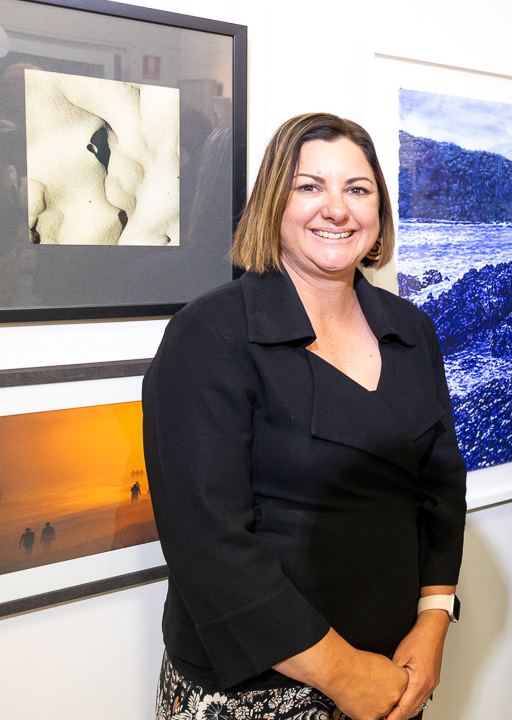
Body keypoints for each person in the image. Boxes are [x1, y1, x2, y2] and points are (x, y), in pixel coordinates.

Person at [144, 113, 467, 720]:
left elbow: (442, 492)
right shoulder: (209, 335)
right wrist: (344, 675)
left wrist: (432, 624)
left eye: (358, 188)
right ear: (273, 203)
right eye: (309, 186)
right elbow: (208, 546)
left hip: (390, 677)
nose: (336, 208)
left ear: (379, 213)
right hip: (255, 690)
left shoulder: (412, 332)